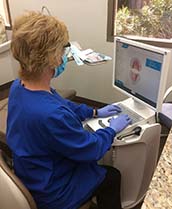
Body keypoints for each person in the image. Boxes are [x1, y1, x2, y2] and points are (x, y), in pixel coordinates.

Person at [6, 11, 132, 209]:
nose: (66, 55)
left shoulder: (18, 86)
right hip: (53, 193)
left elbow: (59, 103)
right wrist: (111, 130)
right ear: (53, 57)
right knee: (111, 176)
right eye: (64, 50)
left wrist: (93, 112)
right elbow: (91, 150)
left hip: (31, 172)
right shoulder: (51, 115)